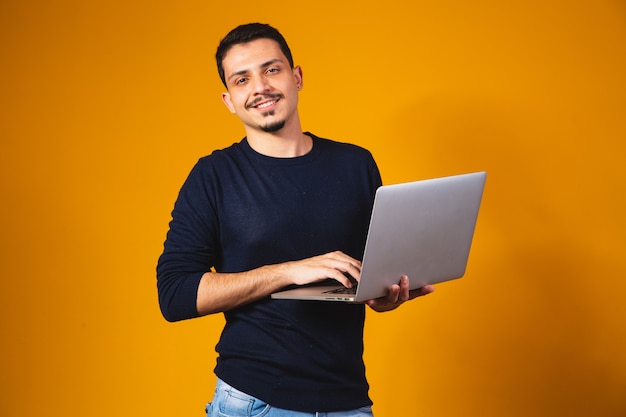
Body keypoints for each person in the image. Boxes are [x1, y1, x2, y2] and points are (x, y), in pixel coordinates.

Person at [156, 22, 434, 417]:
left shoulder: (356, 165)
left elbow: (366, 280)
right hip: (254, 400)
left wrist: (386, 296)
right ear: (229, 100)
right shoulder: (213, 176)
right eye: (242, 79)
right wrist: (289, 271)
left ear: (297, 77)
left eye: (272, 70)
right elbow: (175, 294)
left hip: (348, 400)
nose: (260, 87)